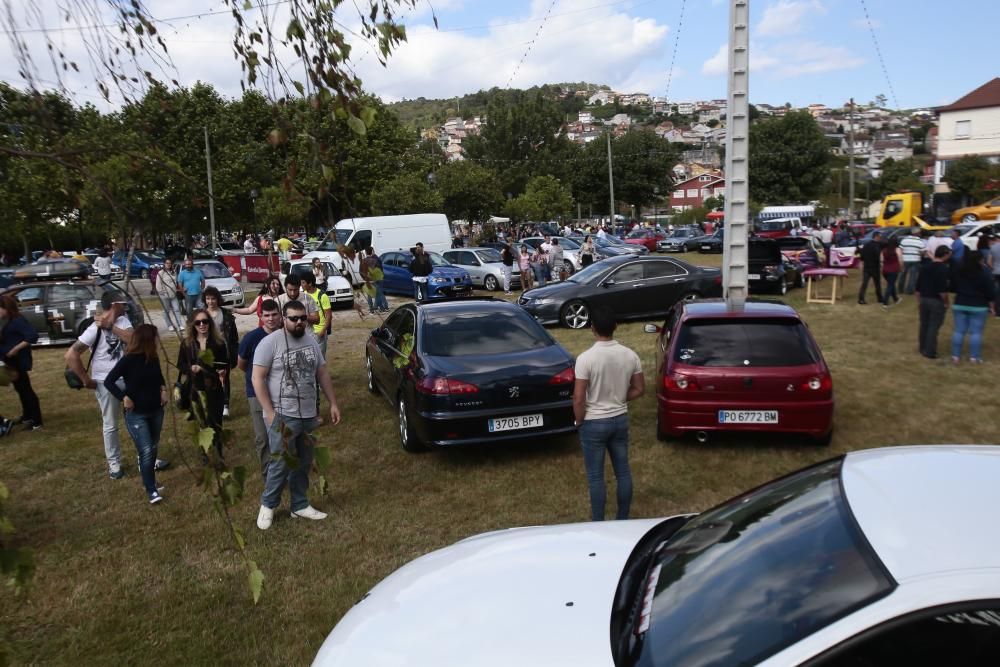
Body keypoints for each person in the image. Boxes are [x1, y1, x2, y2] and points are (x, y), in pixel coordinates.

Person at [253, 300, 342, 530]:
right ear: (284, 318)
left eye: (303, 318)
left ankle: (300, 504)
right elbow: (257, 378)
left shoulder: (311, 341)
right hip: (283, 414)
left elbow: (322, 372)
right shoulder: (269, 343)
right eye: (294, 318)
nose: (299, 322)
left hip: (309, 414)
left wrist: (332, 402)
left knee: (304, 460)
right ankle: (268, 505)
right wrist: (270, 412)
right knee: (281, 462)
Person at [65, 291, 168, 478]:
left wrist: (111, 326)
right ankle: (114, 464)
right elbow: (71, 354)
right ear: (114, 304)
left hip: (129, 378)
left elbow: (133, 340)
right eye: (122, 302)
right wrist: (85, 380)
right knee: (111, 424)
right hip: (105, 382)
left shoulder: (123, 321)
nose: (126, 305)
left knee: (140, 418)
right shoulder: (93, 329)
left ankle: (146, 459)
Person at [572, 307, 644, 521]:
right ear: (615, 326)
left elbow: (578, 397)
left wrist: (579, 420)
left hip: (593, 422)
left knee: (596, 476)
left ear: (592, 328)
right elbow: (639, 389)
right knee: (623, 471)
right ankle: (622, 518)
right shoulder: (630, 355)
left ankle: (598, 521)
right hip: (619, 419)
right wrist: (620, 397)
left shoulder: (586, 359)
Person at [102, 324, 168, 504]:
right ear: (147, 339)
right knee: (146, 450)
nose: (158, 340)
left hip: (155, 410)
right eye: (155, 337)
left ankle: (151, 480)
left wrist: (163, 389)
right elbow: (109, 381)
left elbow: (159, 376)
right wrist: (123, 397)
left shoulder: (153, 358)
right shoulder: (128, 360)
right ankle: (151, 490)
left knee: (153, 447)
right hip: (136, 413)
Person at [237, 299, 282, 481]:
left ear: (279, 316)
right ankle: (268, 475)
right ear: (261, 316)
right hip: (256, 392)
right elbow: (241, 364)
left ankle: (282, 471)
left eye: (274, 315)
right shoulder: (251, 338)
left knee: (279, 435)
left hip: (280, 391)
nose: (271, 319)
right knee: (262, 437)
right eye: (267, 315)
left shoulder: (284, 335)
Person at [177, 308, 228, 455]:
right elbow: (180, 364)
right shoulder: (187, 344)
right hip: (196, 389)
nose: (201, 325)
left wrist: (219, 370)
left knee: (216, 422)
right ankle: (206, 455)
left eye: (205, 321)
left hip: (214, 388)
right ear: (193, 325)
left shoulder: (218, 343)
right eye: (198, 322)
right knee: (202, 425)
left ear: (210, 323)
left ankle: (219, 454)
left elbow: (224, 363)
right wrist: (190, 368)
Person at [0, 295, 42, 431]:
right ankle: (27, 415)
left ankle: (36, 420)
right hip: (8, 360)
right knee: (19, 389)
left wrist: (15, 349)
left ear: (6, 308)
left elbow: (32, 336)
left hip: (18, 360)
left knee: (26, 390)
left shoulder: (18, 320)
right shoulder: (5, 321)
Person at [950, 248, 996, 364]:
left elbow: (952, 286)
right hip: (978, 305)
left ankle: (955, 356)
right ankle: (974, 357)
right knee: (976, 332)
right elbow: (990, 290)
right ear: (980, 260)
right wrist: (992, 305)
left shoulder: (960, 271)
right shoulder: (984, 272)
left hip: (960, 303)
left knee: (959, 331)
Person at [202, 287, 238, 418]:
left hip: (224, 351)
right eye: (208, 299)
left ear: (218, 299)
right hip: (206, 352)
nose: (210, 301)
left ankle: (225, 405)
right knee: (207, 378)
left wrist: (234, 352)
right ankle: (210, 403)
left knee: (224, 378)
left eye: (213, 298)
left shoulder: (226, 315)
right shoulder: (202, 314)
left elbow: (233, 337)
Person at [915, 245, 952, 359]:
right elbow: (942, 290)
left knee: (924, 324)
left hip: (924, 299)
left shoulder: (925, 267)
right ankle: (930, 351)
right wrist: (946, 302)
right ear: (945, 255)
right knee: (933, 326)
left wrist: (918, 301)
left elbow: (917, 287)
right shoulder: (943, 269)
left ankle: (922, 347)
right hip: (936, 300)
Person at [300, 272, 332, 359]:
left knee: (320, 360)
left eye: (303, 282)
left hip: (319, 333)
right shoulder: (302, 295)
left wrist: (323, 330)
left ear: (310, 283)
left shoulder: (322, 295)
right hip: (307, 332)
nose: (301, 285)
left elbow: (328, 315)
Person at [154, 258, 184, 332]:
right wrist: (162, 292)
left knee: (177, 309)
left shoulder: (173, 272)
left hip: (173, 294)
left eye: (170, 263)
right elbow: (158, 285)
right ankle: (170, 325)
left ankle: (180, 325)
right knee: (166, 311)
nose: (168, 264)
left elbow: (175, 283)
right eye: (167, 263)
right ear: (164, 264)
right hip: (165, 295)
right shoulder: (160, 273)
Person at [360, 247, 389, 313]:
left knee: (369, 295)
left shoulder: (363, 261)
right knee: (378, 294)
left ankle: (371, 310)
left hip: (368, 280)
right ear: (372, 251)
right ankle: (381, 308)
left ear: (365, 252)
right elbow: (379, 270)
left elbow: (360, 271)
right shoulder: (375, 260)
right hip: (376, 279)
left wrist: (365, 278)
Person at [858, 231, 883, 305]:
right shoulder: (877, 246)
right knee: (877, 284)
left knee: (864, 284)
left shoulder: (866, 245)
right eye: (879, 237)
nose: (880, 239)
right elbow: (877, 256)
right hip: (875, 267)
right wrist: (880, 263)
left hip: (867, 267)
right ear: (876, 237)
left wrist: (863, 261)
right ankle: (880, 298)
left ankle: (861, 299)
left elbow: (862, 256)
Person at [899, 228, 927, 295]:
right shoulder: (920, 241)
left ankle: (900, 289)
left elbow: (900, 250)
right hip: (915, 259)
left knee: (902, 275)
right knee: (913, 276)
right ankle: (910, 291)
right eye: (920, 233)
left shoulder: (904, 240)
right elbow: (922, 253)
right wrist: (920, 254)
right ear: (918, 233)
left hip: (905, 259)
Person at [881, 237, 903, 308]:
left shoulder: (884, 250)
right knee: (890, 285)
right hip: (893, 270)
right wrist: (901, 267)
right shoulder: (897, 249)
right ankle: (885, 302)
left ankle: (896, 299)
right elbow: (900, 260)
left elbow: (881, 260)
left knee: (891, 284)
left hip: (885, 270)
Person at [991, 236, 1000, 317]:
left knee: (996, 292)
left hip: (996, 271)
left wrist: (992, 268)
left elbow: (989, 261)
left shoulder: (993, 247)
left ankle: (997, 311)